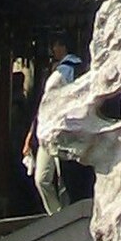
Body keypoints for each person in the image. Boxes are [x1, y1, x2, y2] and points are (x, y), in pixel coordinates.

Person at [24, 35, 83, 213]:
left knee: (64, 177)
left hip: (65, 128)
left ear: (63, 47)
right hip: (46, 129)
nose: (53, 50)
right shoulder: (54, 69)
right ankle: (56, 215)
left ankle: (67, 216)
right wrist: (31, 134)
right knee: (42, 178)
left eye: (55, 46)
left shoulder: (73, 68)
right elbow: (43, 105)